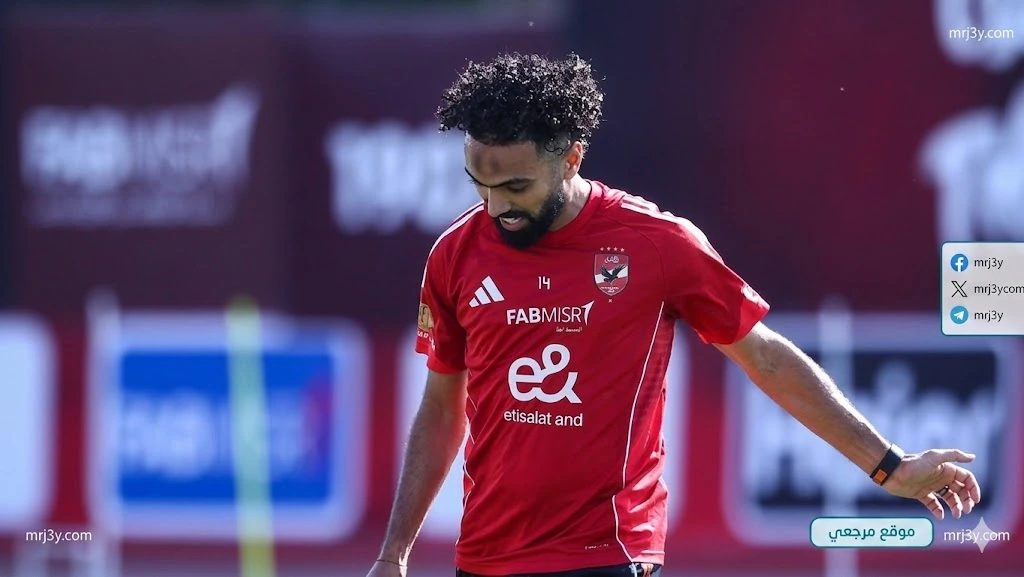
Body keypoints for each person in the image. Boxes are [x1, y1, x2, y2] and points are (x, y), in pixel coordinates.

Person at [366, 53, 981, 577]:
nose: (496, 207)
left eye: (517, 188)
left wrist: (889, 466)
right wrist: (394, 553)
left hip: (608, 553)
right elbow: (441, 409)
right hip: (485, 558)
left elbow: (766, 358)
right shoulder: (454, 254)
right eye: (480, 184)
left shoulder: (658, 244)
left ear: (572, 157)